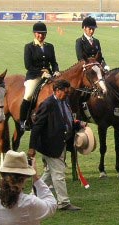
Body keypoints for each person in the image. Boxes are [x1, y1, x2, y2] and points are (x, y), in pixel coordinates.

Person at [27, 79, 84, 211]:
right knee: (58, 174)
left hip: (61, 143)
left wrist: (77, 124)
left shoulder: (65, 101)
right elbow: (37, 127)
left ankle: (32, 197)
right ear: (56, 91)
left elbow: (66, 119)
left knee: (48, 174)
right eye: (64, 92)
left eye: (68, 92)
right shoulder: (48, 104)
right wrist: (32, 147)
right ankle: (63, 202)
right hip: (51, 145)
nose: (66, 94)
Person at [21, 21, 60, 131]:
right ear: (34, 33)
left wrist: (56, 70)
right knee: (28, 95)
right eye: (39, 33)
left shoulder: (50, 47)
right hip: (34, 76)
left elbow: (54, 62)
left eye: (43, 34)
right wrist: (41, 73)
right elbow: (28, 65)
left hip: (49, 76)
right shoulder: (29, 47)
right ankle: (23, 121)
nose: (41, 36)